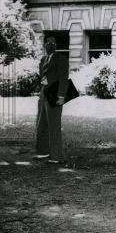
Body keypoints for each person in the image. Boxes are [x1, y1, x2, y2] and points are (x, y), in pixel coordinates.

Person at [35, 36, 69, 164]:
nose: (50, 46)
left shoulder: (61, 59)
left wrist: (61, 96)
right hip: (43, 93)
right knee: (41, 123)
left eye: (53, 44)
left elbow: (63, 78)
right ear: (44, 46)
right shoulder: (43, 59)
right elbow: (42, 76)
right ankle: (43, 152)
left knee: (54, 125)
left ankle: (56, 156)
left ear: (56, 46)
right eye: (48, 43)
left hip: (54, 94)